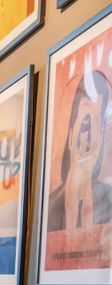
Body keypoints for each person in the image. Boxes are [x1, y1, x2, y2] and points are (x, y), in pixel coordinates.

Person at [47, 69, 112, 232]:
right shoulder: (49, 207)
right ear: (70, 137)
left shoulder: (108, 202)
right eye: (84, 124)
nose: (88, 138)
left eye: (97, 124)